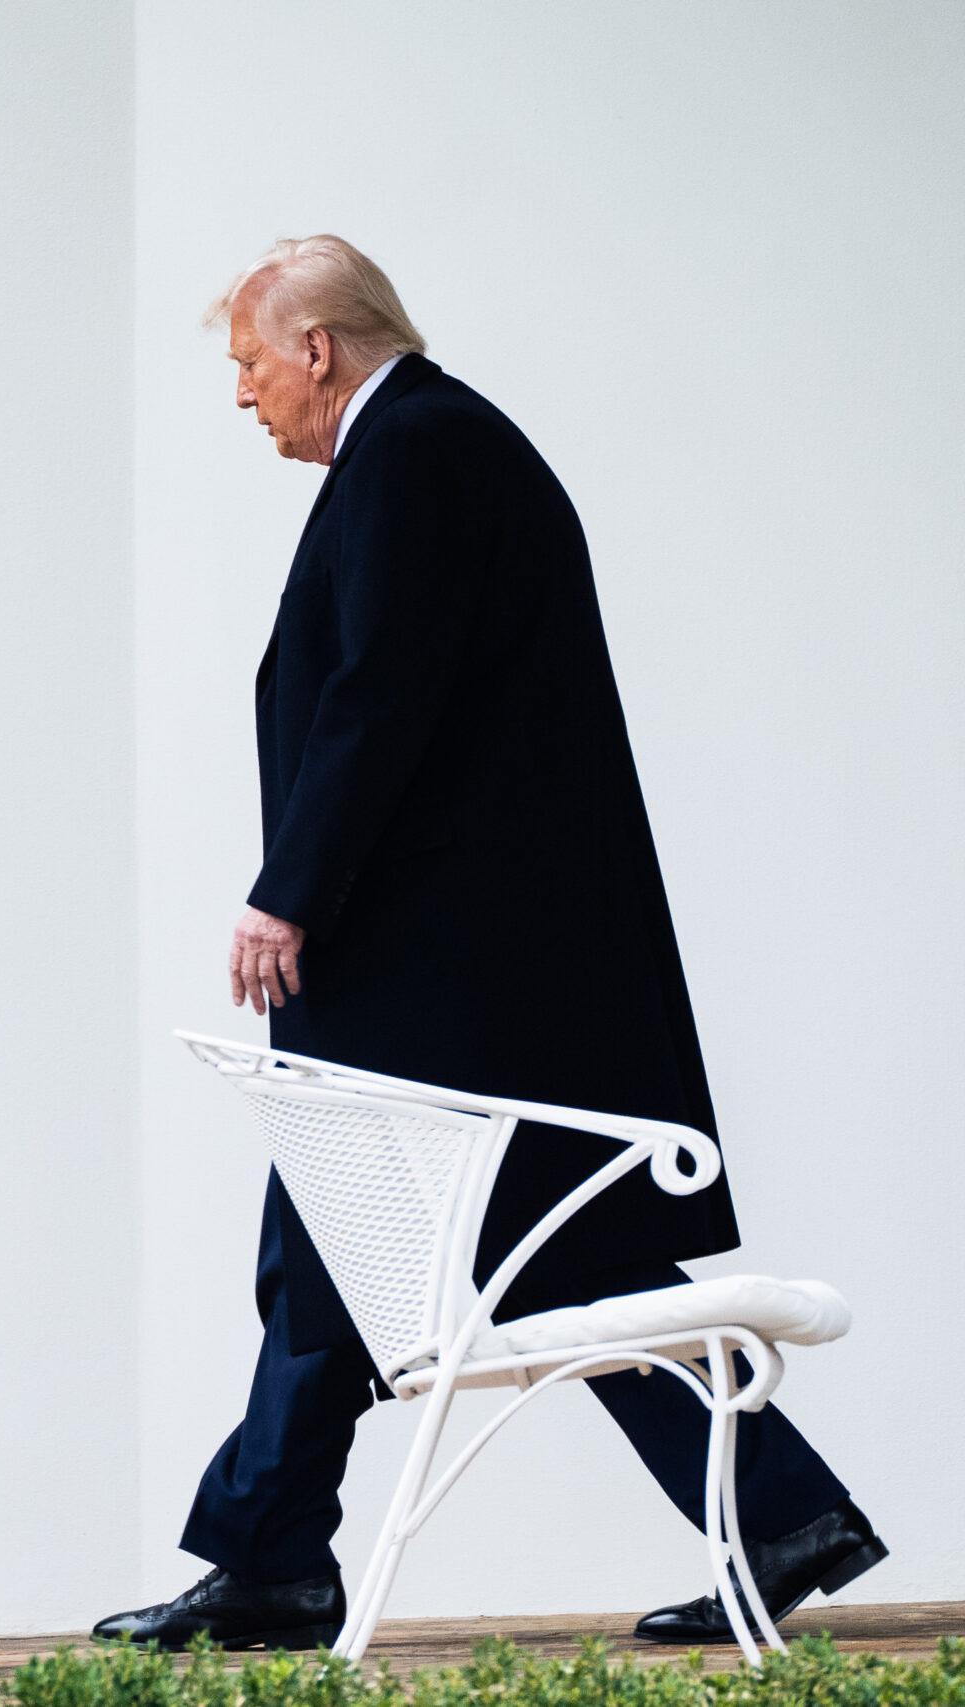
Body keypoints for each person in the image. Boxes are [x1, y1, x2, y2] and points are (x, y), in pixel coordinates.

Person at [92, 236, 884, 1652]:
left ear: (319, 350)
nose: (244, 395)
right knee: (448, 1248)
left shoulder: (418, 451)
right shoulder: (434, 446)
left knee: (419, 1240)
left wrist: (289, 893)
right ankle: (772, 1515)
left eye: (252, 364)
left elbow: (382, 695)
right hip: (472, 968)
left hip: (448, 970)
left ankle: (277, 1556)